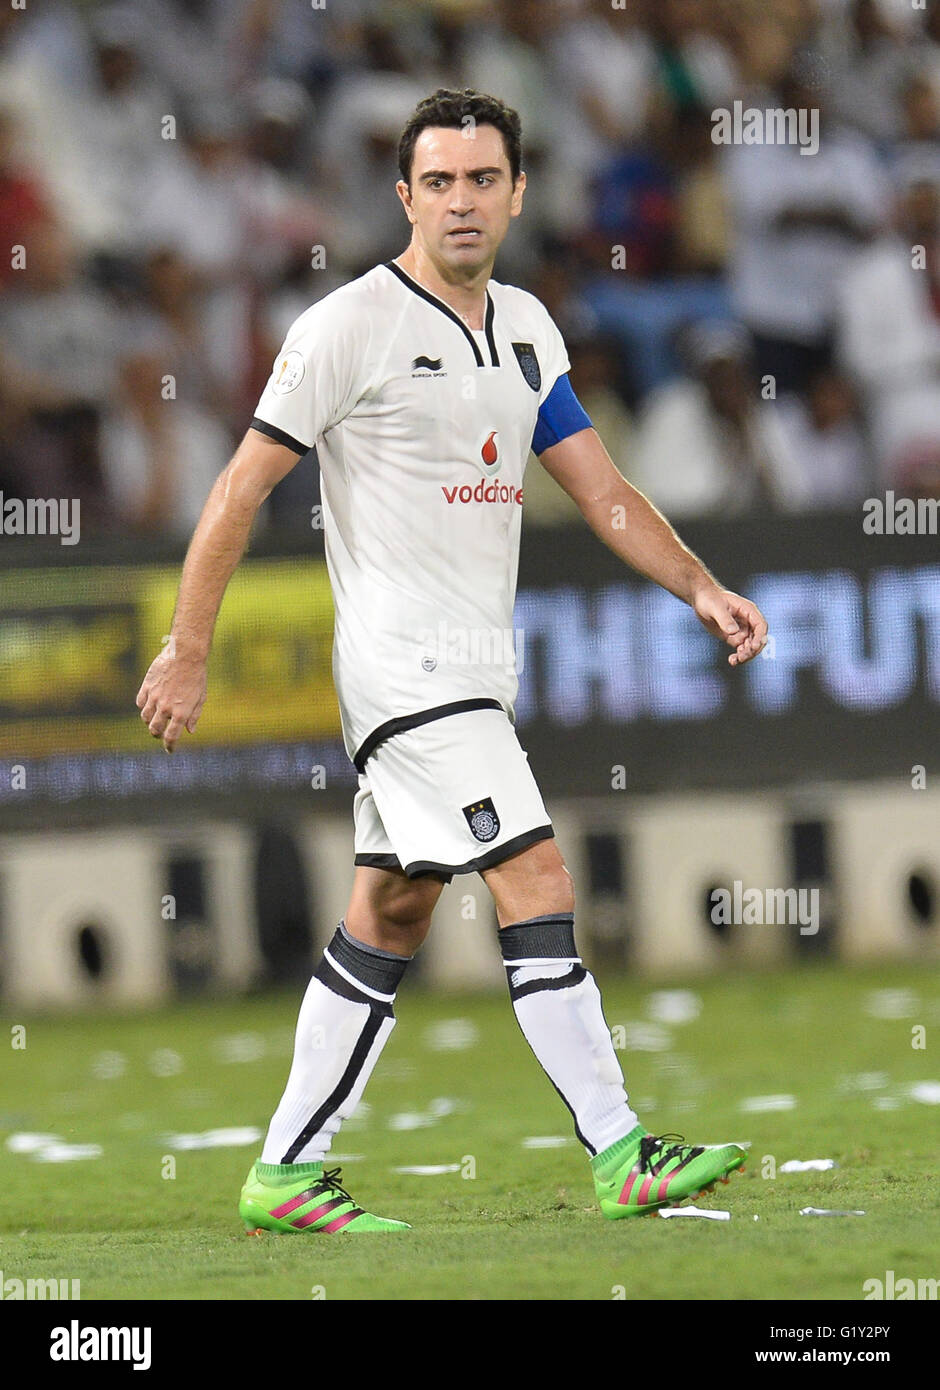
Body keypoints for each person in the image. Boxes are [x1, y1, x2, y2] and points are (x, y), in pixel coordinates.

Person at [136, 89, 768, 1233]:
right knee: (537, 879)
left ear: (519, 193)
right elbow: (237, 491)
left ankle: (285, 1171)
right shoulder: (345, 328)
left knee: (389, 909)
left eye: (483, 180)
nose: (461, 202)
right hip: (403, 674)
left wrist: (700, 584)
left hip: (475, 675)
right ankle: (621, 1151)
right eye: (438, 182)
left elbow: (604, 491)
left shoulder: (526, 328)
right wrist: (188, 647)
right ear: (403, 196)